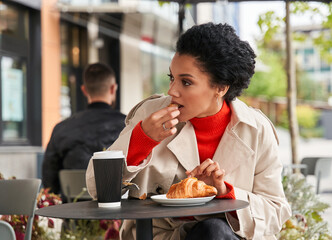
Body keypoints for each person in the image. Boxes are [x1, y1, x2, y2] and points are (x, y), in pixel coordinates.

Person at [86, 23, 291, 239]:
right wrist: (142, 139)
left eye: (186, 82)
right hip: (159, 236)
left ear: (221, 87)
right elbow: (98, 190)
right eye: (171, 78)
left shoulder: (257, 130)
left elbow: (275, 213)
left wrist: (224, 192)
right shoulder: (150, 114)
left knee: (214, 230)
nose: (172, 90)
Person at [43, 62, 126, 201]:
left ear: (84, 90)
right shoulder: (127, 126)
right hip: (118, 215)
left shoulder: (62, 128)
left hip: (74, 216)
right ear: (113, 88)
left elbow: (49, 182)